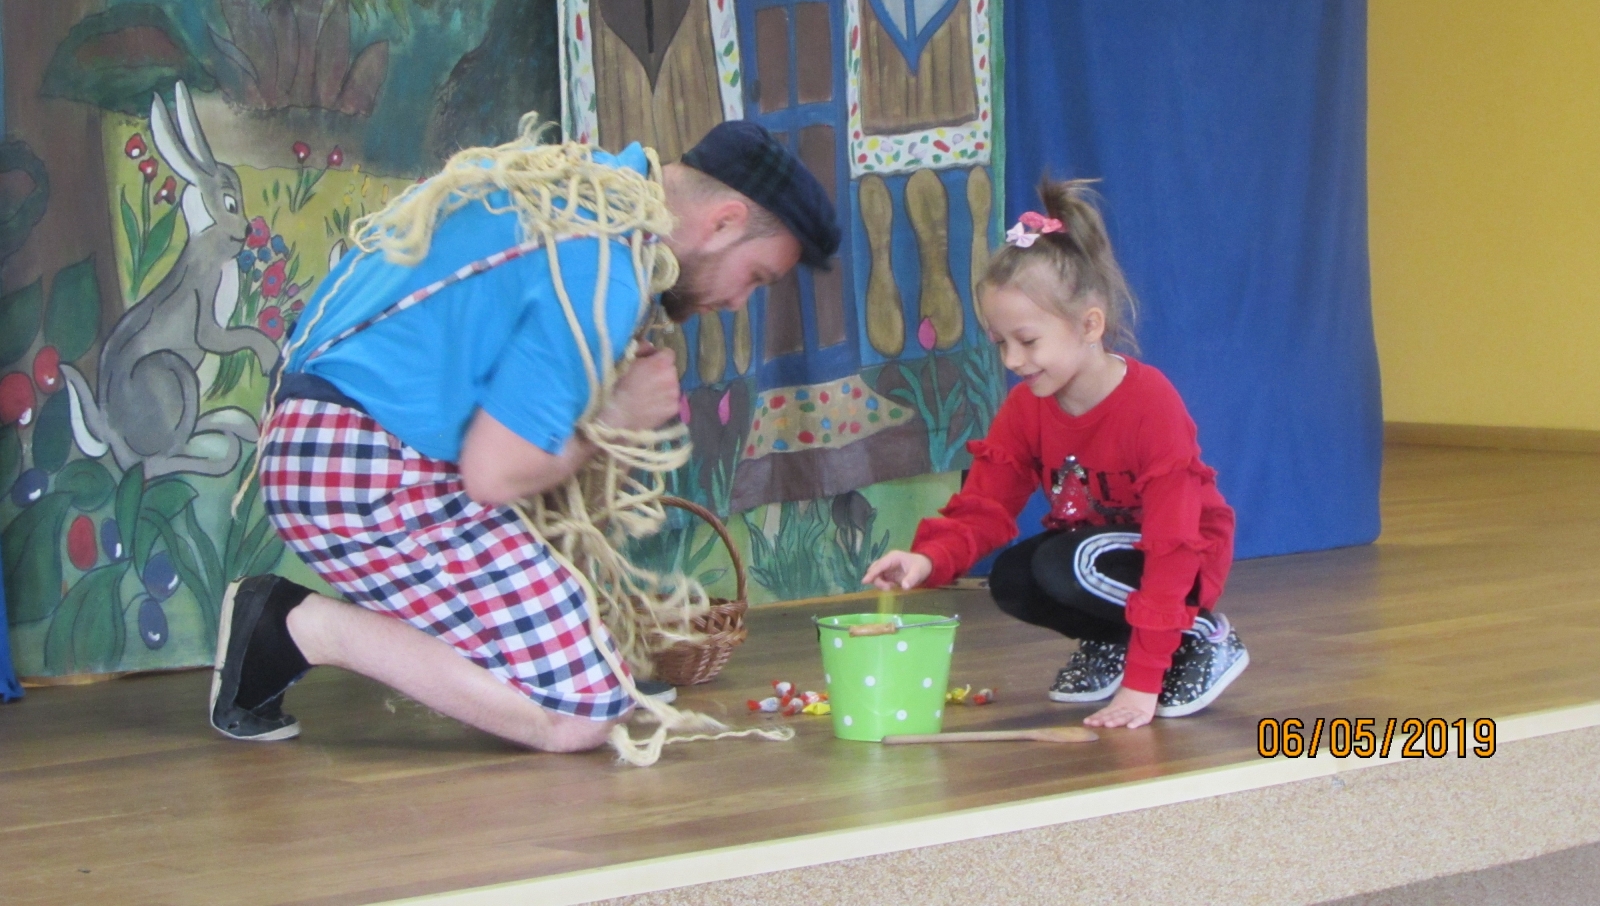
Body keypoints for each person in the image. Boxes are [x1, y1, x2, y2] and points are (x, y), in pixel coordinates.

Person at [209, 120, 840, 752]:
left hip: (331, 442)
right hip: (361, 469)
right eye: (757, 278)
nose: (739, 302)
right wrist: (617, 418)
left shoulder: (577, 194)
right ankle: (295, 627)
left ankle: (563, 663)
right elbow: (496, 475)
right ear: (725, 223)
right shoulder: (602, 262)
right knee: (581, 713)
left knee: (591, 674)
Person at [863, 180, 1246, 730]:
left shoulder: (1151, 405)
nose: (1012, 360)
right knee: (1014, 577)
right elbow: (984, 508)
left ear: (1089, 324)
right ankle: (1115, 640)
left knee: (1068, 564)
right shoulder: (1027, 408)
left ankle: (1203, 637)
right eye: (1000, 343)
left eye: (1027, 341)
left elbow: (1172, 544)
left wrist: (1142, 686)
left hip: (1180, 559)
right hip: (1103, 556)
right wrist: (928, 560)